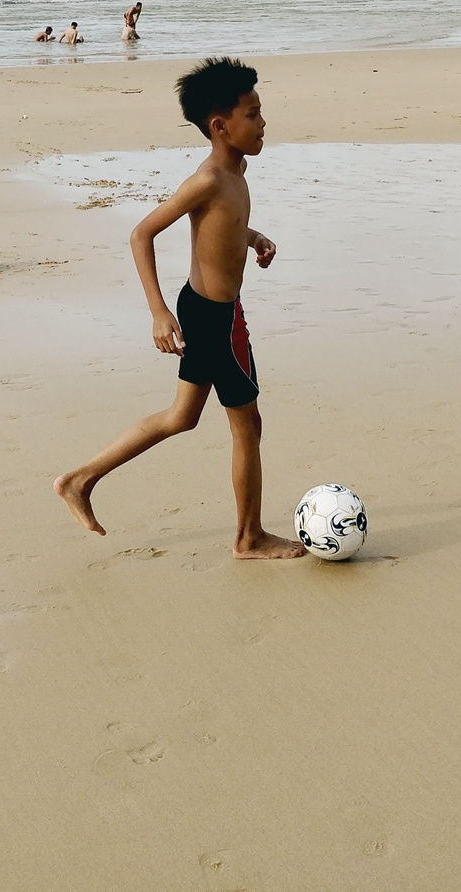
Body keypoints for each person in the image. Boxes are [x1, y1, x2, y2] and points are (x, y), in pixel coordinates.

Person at [53, 58, 303, 560]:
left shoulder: (237, 169)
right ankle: (248, 538)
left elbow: (223, 229)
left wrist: (252, 238)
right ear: (220, 126)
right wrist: (158, 312)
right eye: (252, 114)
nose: (262, 123)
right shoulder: (207, 179)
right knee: (246, 425)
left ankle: (79, 479)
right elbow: (141, 233)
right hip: (212, 317)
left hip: (216, 311)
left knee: (181, 417)